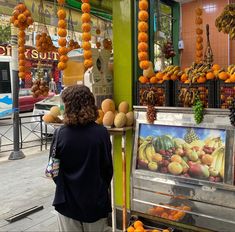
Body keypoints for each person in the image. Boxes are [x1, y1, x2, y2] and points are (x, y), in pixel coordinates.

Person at [50, 85, 113, 232]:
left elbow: (52, 171)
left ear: (69, 106)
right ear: (90, 104)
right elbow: (107, 170)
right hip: (95, 203)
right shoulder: (102, 133)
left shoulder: (60, 134)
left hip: (67, 204)